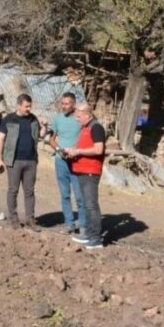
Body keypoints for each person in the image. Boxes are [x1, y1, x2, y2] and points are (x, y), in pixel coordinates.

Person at [0, 94, 46, 228]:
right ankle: (14, 219)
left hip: (31, 161)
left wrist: (44, 126)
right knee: (13, 190)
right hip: (14, 160)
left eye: (30, 106)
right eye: (26, 106)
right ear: (19, 105)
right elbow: (0, 139)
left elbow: (40, 136)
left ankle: (30, 219)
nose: (29, 109)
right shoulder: (8, 119)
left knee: (29, 191)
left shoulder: (33, 119)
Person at [64, 103, 107, 250]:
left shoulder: (96, 127)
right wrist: (72, 152)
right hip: (82, 170)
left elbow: (98, 149)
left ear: (88, 114)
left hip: (91, 172)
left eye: (79, 116)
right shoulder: (86, 128)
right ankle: (88, 234)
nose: (77, 119)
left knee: (91, 205)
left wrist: (78, 152)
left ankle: (96, 238)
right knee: (85, 203)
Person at [48, 93, 86, 235]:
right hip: (61, 161)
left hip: (77, 161)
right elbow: (51, 139)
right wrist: (59, 149)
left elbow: (87, 138)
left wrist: (77, 151)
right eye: (62, 103)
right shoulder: (57, 119)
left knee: (80, 196)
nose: (64, 106)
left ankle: (83, 225)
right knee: (65, 194)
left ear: (74, 104)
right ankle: (69, 224)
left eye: (67, 104)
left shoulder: (80, 119)